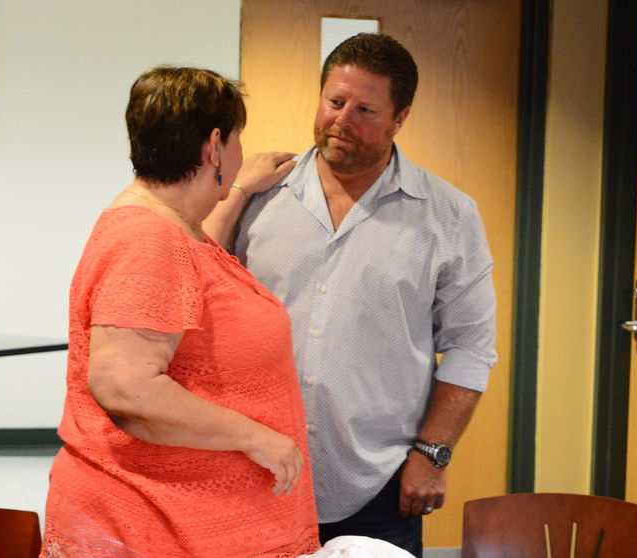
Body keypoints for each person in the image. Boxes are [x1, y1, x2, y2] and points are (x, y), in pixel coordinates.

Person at [204, 33, 497, 557]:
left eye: (365, 109)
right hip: (254, 470)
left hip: (379, 482)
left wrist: (433, 454)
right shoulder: (259, 195)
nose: (342, 120)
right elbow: (193, 282)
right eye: (334, 102)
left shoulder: (449, 216)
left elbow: (471, 347)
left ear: (400, 118)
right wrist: (240, 192)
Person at [41, 66, 319, 557]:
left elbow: (192, 275)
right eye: (236, 140)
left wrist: (237, 190)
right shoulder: (147, 239)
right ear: (214, 146)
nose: (237, 154)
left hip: (180, 524)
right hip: (153, 524)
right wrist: (258, 438)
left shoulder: (169, 230)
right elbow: (126, 386)